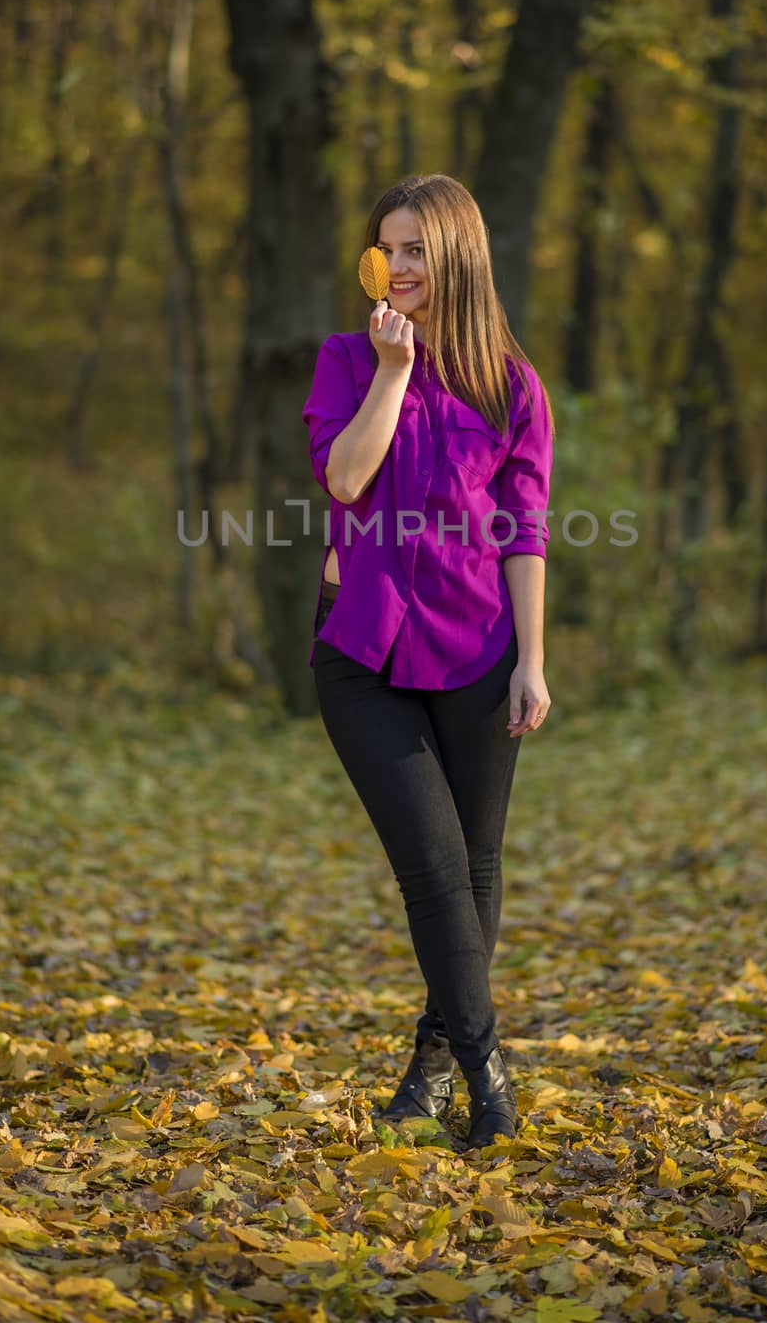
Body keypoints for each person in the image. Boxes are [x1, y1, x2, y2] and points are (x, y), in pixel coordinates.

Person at [301, 173, 555, 1150]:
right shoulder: (343, 359)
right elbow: (347, 476)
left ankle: (431, 1070)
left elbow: (525, 529)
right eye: (388, 247)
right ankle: (491, 1079)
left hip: (480, 653)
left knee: (476, 868)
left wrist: (532, 661)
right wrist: (392, 372)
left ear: (454, 257)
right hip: (361, 651)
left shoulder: (509, 385)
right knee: (435, 869)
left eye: (417, 249)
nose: (400, 266)